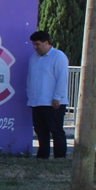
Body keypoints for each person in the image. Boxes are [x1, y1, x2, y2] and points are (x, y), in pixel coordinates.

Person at [27, 30, 69, 159]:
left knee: (56, 130)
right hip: (37, 101)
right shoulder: (34, 58)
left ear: (46, 43)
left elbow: (62, 78)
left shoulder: (58, 56)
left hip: (53, 102)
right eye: (34, 44)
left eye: (38, 44)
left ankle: (60, 157)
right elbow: (30, 77)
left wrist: (57, 97)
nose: (35, 47)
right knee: (40, 131)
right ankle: (42, 156)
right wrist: (30, 96)